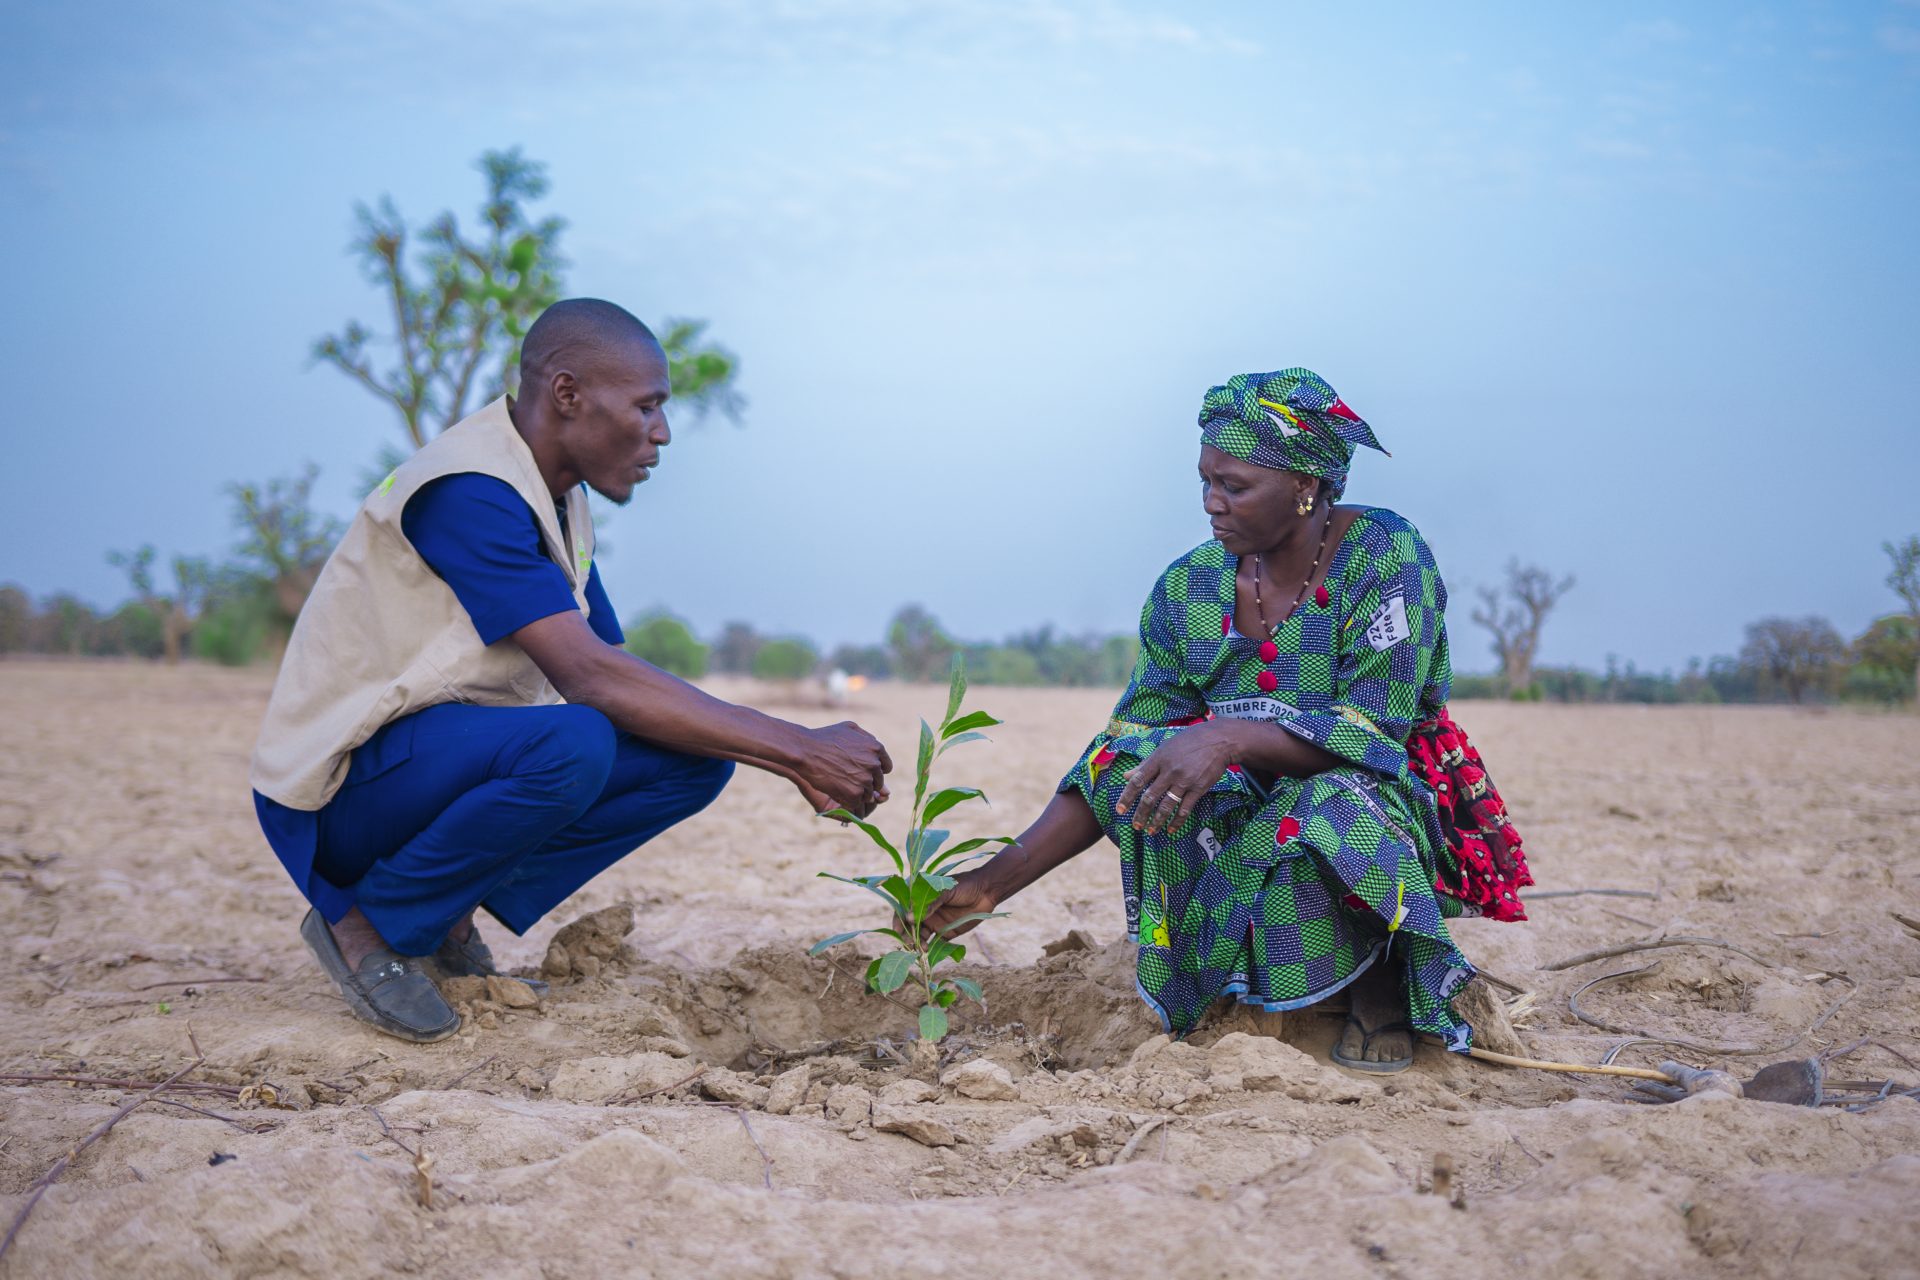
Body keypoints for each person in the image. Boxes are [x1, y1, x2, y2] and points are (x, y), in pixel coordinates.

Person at [251, 299, 892, 1043]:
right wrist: (798, 748)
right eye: (647, 405)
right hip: (341, 788)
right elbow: (590, 677)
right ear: (567, 395)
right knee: (577, 741)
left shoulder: (553, 500)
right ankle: (366, 927)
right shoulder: (468, 492)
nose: (662, 432)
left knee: (693, 759)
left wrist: (772, 752)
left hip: (432, 763)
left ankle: (444, 914)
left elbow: (612, 663)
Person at [925, 368, 1530, 1072]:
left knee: (1324, 805)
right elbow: (1126, 746)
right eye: (1205, 483)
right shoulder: (1189, 587)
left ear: (1305, 485)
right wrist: (992, 884)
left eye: (1234, 486)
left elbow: (1374, 732)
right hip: (1251, 796)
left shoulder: (1386, 557)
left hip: (1372, 799)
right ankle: (1225, 982)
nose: (1213, 504)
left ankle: (1379, 978)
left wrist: (1228, 734)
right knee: (1134, 761)